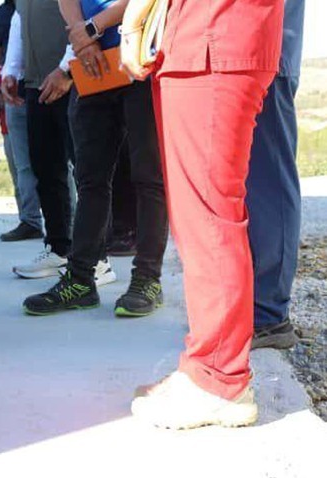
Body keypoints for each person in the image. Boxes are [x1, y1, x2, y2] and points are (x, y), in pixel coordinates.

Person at [121, 0, 284, 428]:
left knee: (209, 218)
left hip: (213, 37)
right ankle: (205, 367)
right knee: (199, 220)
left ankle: (220, 380)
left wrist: (133, 21)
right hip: (201, 38)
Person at [22, 0, 168, 317]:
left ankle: (147, 279)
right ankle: (80, 281)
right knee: (90, 180)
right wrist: (81, 39)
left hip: (141, 58)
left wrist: (90, 29)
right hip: (91, 66)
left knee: (148, 178)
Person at [1, 1, 76, 277]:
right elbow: (20, 21)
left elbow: (86, 16)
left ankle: (95, 255)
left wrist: (67, 68)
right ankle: (59, 249)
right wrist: (11, 69)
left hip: (75, 80)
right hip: (36, 83)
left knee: (88, 172)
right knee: (45, 169)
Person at [248, 0, 305, 350]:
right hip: (245, 55)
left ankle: (269, 315)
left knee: (269, 184)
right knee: (250, 187)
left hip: (270, 55)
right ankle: (255, 306)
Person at [0, 0, 44, 242]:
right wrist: (7, 75)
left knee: (61, 163)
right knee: (23, 164)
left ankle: (73, 220)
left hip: (47, 83)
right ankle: (30, 220)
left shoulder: (51, 5)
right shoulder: (4, 13)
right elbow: (1, 52)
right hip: (17, 89)